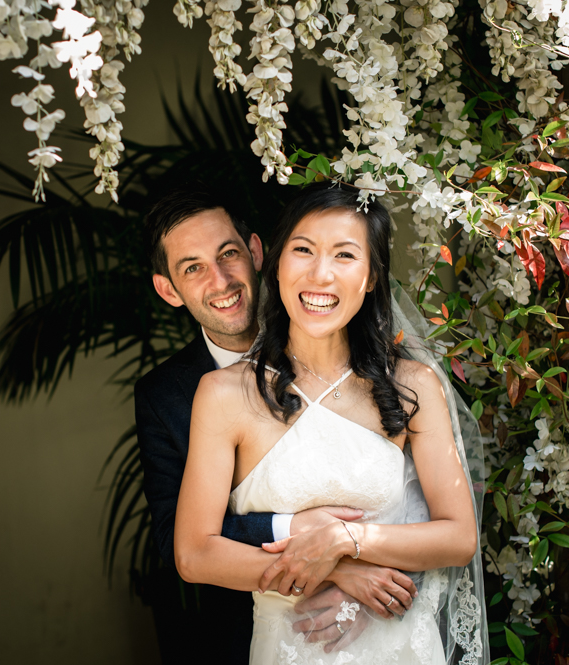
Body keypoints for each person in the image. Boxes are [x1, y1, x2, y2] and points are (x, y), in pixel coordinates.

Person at [173, 182, 485, 663]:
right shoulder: (222, 396)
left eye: (344, 255)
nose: (320, 274)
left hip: (400, 647)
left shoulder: (413, 384)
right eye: (303, 250)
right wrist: (329, 568)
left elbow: (460, 537)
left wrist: (347, 540)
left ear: (372, 277)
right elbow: (195, 555)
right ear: (275, 263)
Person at [135, 188, 419, 665]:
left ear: (257, 252)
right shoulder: (167, 395)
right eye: (193, 267)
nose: (221, 280)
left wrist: (377, 580)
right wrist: (323, 558)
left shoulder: (355, 341)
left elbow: (421, 493)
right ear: (169, 290)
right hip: (259, 633)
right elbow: (177, 542)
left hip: (383, 617)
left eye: (228, 254)